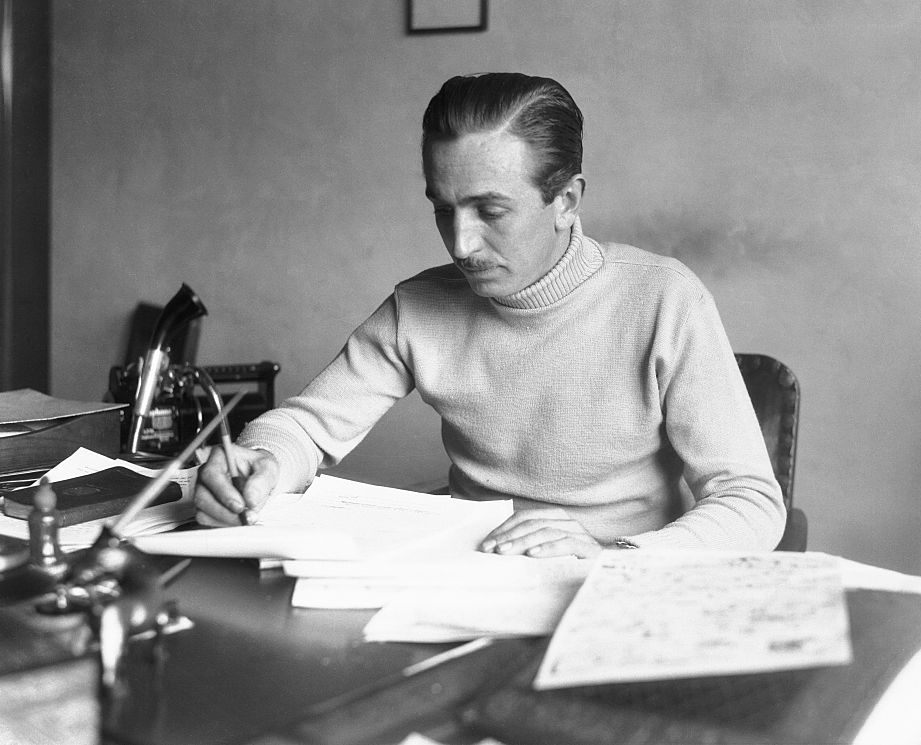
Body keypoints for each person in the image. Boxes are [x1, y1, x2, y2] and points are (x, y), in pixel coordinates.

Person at [195, 72, 785, 558]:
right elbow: (303, 426)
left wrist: (620, 558)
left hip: (617, 583)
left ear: (567, 201)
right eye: (443, 210)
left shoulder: (664, 299)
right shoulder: (418, 306)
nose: (461, 244)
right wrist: (263, 464)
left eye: (491, 211)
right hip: (472, 577)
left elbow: (751, 500)